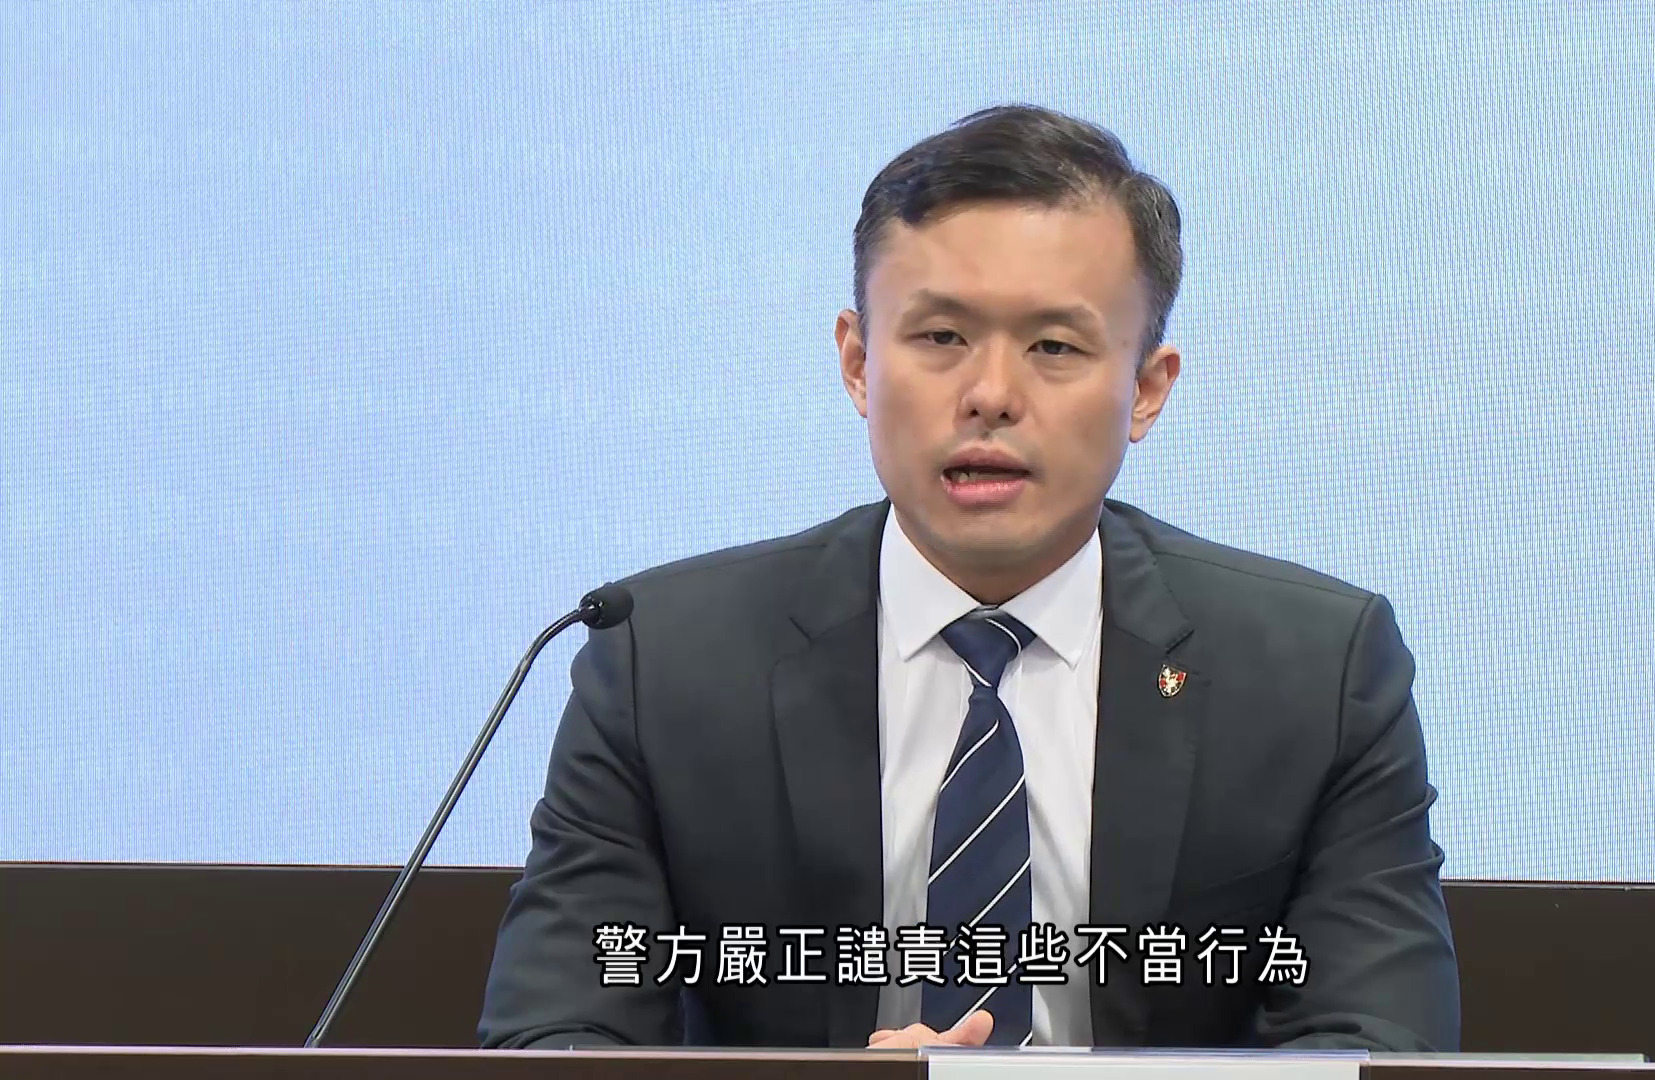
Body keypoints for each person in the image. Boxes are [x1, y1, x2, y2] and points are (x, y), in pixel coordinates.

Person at [477, 104, 1459, 1052]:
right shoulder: (662, 663)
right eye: (942, 338)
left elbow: (1377, 1041)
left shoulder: (1317, 672)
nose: (990, 395)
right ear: (858, 364)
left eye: (1054, 347)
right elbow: (555, 1036)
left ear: (1146, 389)